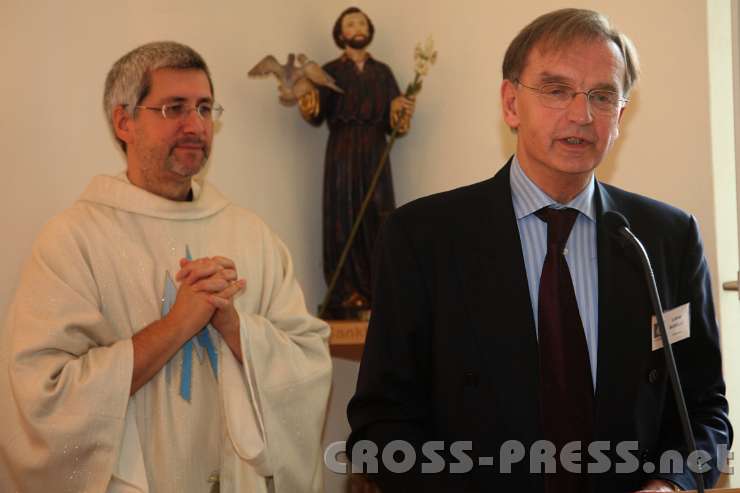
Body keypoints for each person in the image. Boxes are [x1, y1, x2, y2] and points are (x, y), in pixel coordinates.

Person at [347, 8, 731, 493]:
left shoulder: (666, 238)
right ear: (510, 103)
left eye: (602, 95)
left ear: (620, 117)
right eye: (555, 90)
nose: (581, 114)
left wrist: (673, 484)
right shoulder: (422, 237)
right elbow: (381, 423)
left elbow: (703, 409)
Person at [0, 41, 332, 493]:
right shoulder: (73, 241)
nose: (196, 125)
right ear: (124, 122)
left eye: (205, 108)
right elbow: (42, 395)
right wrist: (178, 324)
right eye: (174, 108)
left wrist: (234, 327)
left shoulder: (251, 236)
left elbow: (309, 364)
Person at [298, 6, 415, 317]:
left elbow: (396, 123)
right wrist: (306, 95)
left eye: (361, 22)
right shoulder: (329, 72)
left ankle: (377, 291)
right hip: (342, 151)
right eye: (350, 23)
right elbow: (316, 112)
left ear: (368, 30)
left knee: (379, 216)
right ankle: (345, 293)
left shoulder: (383, 72)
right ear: (341, 33)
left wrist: (401, 109)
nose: (357, 26)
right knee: (342, 215)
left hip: (375, 151)